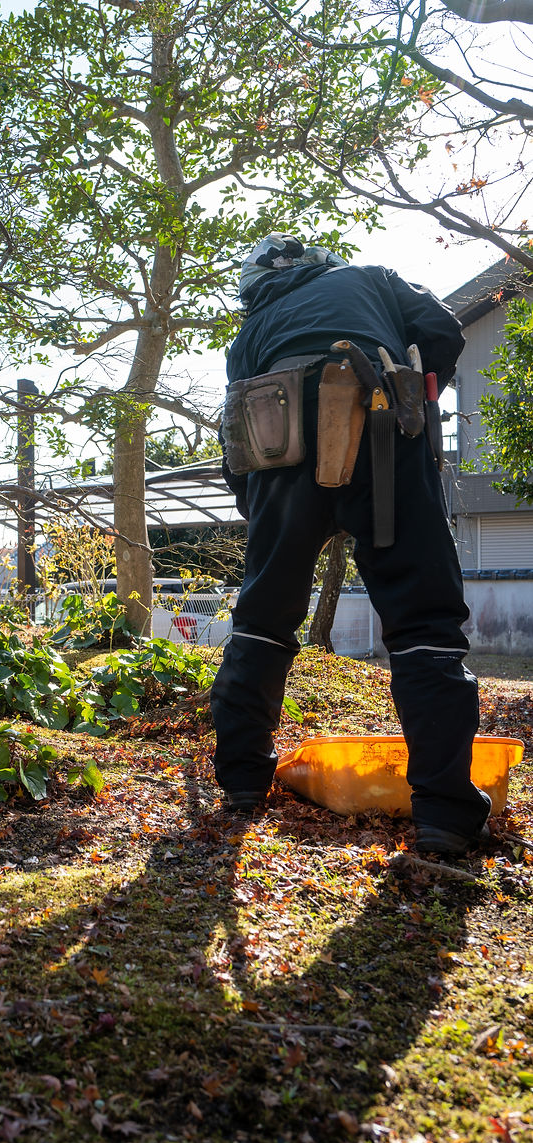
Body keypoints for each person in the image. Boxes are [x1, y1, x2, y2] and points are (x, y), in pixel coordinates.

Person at [210, 234, 491, 857]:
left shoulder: (250, 335)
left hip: (279, 453)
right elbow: (441, 331)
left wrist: (271, 526)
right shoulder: (372, 278)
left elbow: (237, 430)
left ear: (253, 287)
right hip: (385, 425)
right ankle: (445, 815)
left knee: (262, 619)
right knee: (424, 622)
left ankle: (239, 783)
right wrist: (420, 399)